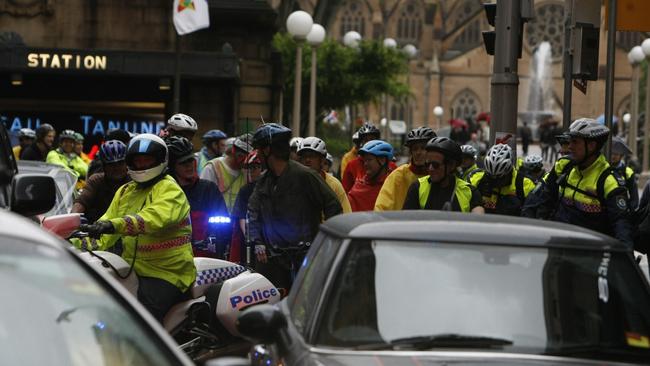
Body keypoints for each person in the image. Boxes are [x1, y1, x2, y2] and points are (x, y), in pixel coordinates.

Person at [74, 134, 196, 323]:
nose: (141, 165)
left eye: (147, 160)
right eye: (136, 161)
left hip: (167, 272)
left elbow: (153, 218)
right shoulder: (126, 191)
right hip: (131, 269)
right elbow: (105, 226)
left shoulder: (170, 189)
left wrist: (114, 225)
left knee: (142, 323)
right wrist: (72, 244)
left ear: (161, 160)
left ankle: (156, 352)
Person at [248, 123, 342, 292]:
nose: (257, 155)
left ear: (269, 150)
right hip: (273, 260)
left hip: (305, 259)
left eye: (260, 150)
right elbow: (253, 212)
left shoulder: (305, 176)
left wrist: (325, 242)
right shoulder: (263, 181)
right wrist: (258, 242)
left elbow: (333, 206)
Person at [522, 118, 634, 247]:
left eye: (575, 142)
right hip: (558, 245)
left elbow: (621, 224)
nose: (569, 147)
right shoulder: (564, 166)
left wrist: (625, 256)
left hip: (589, 253)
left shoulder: (608, 181)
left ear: (591, 146)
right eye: (570, 141)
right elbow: (543, 199)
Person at [166, 136, 229, 258]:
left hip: (207, 259)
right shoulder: (165, 192)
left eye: (191, 160)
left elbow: (224, 225)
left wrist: (215, 238)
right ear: (172, 166)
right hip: (174, 259)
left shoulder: (209, 188)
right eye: (183, 163)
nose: (189, 165)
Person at [403, 137, 484, 213]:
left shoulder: (470, 192)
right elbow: (406, 221)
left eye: (435, 165)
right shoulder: (417, 188)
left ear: (451, 165)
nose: (430, 169)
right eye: (427, 164)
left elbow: (479, 221)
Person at [374, 127, 436, 211]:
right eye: (415, 149)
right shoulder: (398, 175)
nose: (418, 152)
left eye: (423, 148)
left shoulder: (438, 174)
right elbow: (381, 207)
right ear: (411, 152)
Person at [72, 140, 131, 224]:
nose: (116, 168)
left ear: (127, 163)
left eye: (120, 163)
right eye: (111, 164)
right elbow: (81, 202)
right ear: (103, 166)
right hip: (96, 232)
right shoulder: (95, 180)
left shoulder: (134, 180)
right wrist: (71, 220)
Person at [469, 144, 536, 216]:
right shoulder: (476, 180)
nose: (495, 181)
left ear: (509, 170)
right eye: (491, 176)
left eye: (499, 177)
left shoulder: (525, 185)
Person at [200, 134, 253, 213]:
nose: (244, 160)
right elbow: (202, 196)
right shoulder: (213, 167)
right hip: (216, 221)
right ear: (233, 150)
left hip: (238, 221)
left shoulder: (247, 171)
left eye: (248, 157)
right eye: (241, 156)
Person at [298, 136, 352, 213]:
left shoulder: (334, 185)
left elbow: (346, 215)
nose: (307, 160)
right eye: (304, 157)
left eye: (312, 156)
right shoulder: (293, 181)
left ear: (322, 160)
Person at [230, 150, 264, 265]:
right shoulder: (245, 190)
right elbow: (241, 217)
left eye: (254, 167)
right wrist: (250, 238)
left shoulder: (271, 186)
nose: (251, 171)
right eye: (248, 168)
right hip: (251, 241)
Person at [342, 123, 394, 192]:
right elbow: (345, 192)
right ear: (361, 143)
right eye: (366, 140)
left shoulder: (391, 165)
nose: (369, 142)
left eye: (372, 139)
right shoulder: (352, 165)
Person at [348, 140, 394, 212]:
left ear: (382, 160)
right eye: (365, 160)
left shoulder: (394, 183)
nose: (365, 164)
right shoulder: (357, 189)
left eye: (369, 160)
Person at [610, 136, 639, 210]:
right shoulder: (602, 168)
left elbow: (634, 197)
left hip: (621, 211)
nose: (613, 156)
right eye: (611, 153)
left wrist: (629, 210)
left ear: (621, 156)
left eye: (616, 154)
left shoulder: (628, 172)